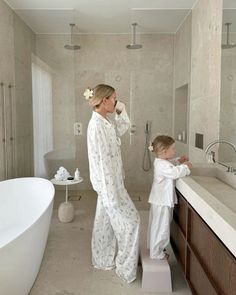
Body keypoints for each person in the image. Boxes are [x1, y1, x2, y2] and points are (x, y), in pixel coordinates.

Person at [85, 84, 140, 283]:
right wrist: (111, 195)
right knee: (131, 223)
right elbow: (102, 162)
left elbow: (123, 127)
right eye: (114, 99)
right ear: (104, 99)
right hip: (110, 187)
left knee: (104, 224)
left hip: (111, 184)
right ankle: (125, 269)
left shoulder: (105, 122)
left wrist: (121, 109)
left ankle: (102, 260)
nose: (116, 102)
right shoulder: (97, 126)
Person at [147, 135, 192, 260]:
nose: (175, 151)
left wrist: (179, 160)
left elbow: (171, 164)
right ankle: (156, 253)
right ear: (164, 151)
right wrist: (186, 167)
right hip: (162, 201)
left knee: (157, 225)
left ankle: (155, 248)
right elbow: (174, 172)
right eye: (173, 149)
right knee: (161, 226)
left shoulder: (161, 161)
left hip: (160, 200)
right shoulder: (162, 165)